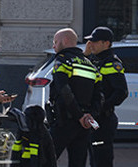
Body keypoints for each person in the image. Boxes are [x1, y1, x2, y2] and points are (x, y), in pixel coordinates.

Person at [48, 28, 101, 167]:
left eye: (55, 42)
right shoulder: (91, 66)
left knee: (46, 159)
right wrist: (89, 116)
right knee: (78, 163)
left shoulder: (63, 60)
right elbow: (99, 96)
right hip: (84, 125)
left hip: (64, 121)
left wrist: (78, 115)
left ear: (65, 41)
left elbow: (63, 89)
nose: (54, 46)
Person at [84, 27, 127, 167]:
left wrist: (101, 108)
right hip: (92, 119)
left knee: (101, 159)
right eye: (90, 41)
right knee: (94, 157)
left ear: (106, 43)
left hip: (102, 120)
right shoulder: (92, 60)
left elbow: (121, 92)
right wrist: (85, 55)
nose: (91, 44)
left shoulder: (112, 64)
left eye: (95, 41)